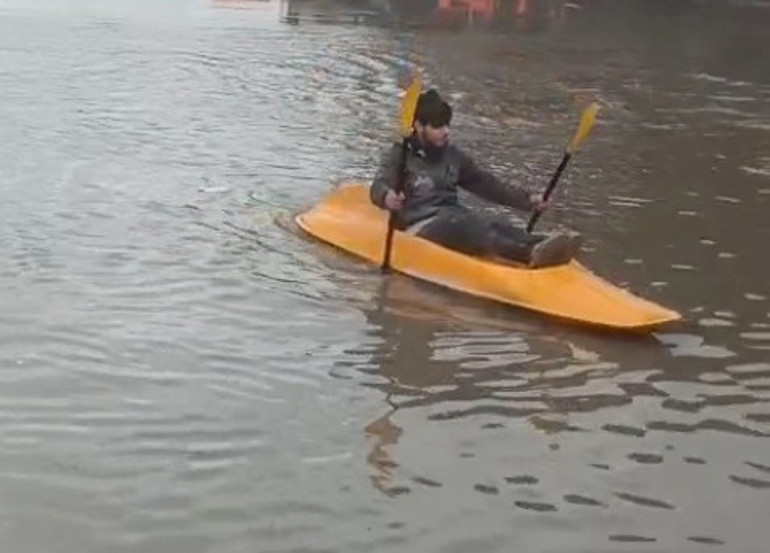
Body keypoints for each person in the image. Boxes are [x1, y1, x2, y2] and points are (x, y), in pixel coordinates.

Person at [370, 89, 582, 268]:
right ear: (418, 126)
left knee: (492, 223)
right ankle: (527, 255)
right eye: (438, 127)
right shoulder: (400, 155)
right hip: (418, 225)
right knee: (474, 228)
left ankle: (543, 243)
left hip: (451, 216)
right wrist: (388, 197)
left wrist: (528, 200)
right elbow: (378, 186)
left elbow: (487, 185)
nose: (445, 132)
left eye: (447, 125)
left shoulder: (452, 156)